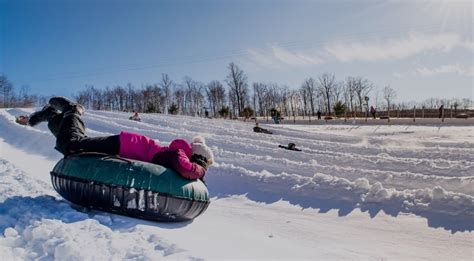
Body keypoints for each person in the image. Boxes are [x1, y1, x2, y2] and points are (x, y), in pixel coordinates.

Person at [28, 97, 214, 180]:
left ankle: (51, 115)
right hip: (125, 145)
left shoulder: (178, 152)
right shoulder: (179, 152)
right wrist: (202, 169)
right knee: (71, 145)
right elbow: (183, 166)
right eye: (202, 160)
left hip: (125, 146)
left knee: (78, 143)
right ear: (195, 156)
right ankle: (72, 111)